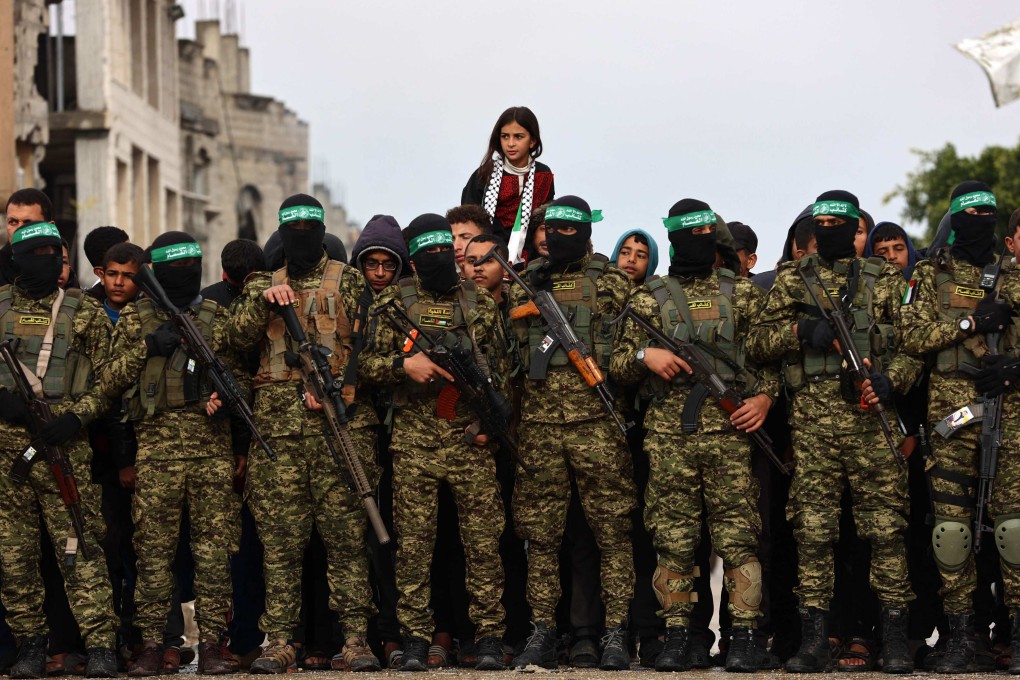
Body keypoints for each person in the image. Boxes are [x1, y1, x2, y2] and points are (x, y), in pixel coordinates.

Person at [747, 190, 920, 675]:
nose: (829, 230)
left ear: (853, 227)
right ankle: (814, 639)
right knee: (814, 534)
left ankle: (894, 639)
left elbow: (911, 348)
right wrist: (803, 333)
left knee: (887, 532)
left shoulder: (884, 280)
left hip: (871, 424)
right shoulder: (792, 280)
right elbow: (759, 342)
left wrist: (892, 381)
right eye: (820, 223)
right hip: (813, 429)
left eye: (838, 223)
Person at [610, 200, 777, 672]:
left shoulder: (742, 294)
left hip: (730, 435)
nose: (698, 242)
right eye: (689, 234)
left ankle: (742, 637)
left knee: (739, 539)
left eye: (707, 234)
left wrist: (764, 399)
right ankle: (679, 636)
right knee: (675, 540)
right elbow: (616, 365)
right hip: (669, 440)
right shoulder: (648, 299)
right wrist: (647, 355)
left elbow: (773, 362)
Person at [226, 194, 381, 674]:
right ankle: (280, 640)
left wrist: (344, 388)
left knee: (348, 540)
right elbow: (234, 340)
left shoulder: (351, 280)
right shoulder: (261, 285)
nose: (301, 236)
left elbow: (372, 343)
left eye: (309, 227)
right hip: (279, 435)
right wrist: (262, 303)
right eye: (291, 229)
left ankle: (354, 639)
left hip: (340, 429)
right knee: (280, 544)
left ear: (321, 229)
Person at [359, 213, 509, 672]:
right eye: (429, 254)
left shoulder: (479, 304)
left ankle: (487, 636)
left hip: (470, 442)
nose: (441, 259)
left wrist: (491, 426)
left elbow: (503, 371)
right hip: (415, 444)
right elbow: (365, 365)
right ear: (416, 259)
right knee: (414, 548)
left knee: (483, 544)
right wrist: (404, 368)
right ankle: (416, 638)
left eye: (447, 250)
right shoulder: (394, 304)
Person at [100, 232, 240, 676]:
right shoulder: (134, 318)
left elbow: (238, 379)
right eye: (175, 266)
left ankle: (215, 643)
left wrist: (224, 400)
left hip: (210, 448)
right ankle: (151, 644)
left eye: (192, 264)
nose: (186, 273)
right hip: (156, 449)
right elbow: (107, 384)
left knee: (215, 552)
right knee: (153, 554)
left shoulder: (217, 317)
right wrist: (148, 346)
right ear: (155, 271)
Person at [507, 196, 636, 671]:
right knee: (540, 536)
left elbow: (629, 353)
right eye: (551, 228)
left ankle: (617, 631)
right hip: (540, 427)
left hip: (598, 426)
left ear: (585, 231)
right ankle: (542, 629)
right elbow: (508, 355)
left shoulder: (613, 283)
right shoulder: (525, 280)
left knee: (612, 533)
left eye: (568, 228)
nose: (558, 235)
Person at [0, 220, 120, 678]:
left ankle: (101, 645)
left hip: (64, 448)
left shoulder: (81, 310)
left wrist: (76, 416)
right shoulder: (1, 306)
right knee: (15, 554)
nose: (48, 259)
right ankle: (30, 644)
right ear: (16, 259)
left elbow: (110, 379)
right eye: (38, 252)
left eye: (56, 252)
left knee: (81, 546)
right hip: (7, 454)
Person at [900, 181, 1008, 674]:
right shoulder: (928, 274)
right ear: (954, 220)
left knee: (1012, 531)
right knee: (951, 532)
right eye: (972, 213)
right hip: (951, 418)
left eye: (991, 213)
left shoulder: (1014, 275)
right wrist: (968, 326)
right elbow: (912, 334)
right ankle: (963, 635)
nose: (982, 220)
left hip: (1010, 415)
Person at [461, 107, 555, 248]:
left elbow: (545, 220)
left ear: (532, 141)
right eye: (505, 136)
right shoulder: (484, 174)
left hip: (532, 254)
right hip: (489, 252)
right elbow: (467, 221)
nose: (510, 143)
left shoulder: (543, 174)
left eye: (518, 136)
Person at [446, 205, 492, 273]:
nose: (455, 247)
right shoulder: (441, 282)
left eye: (465, 237)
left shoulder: (509, 280)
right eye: (452, 239)